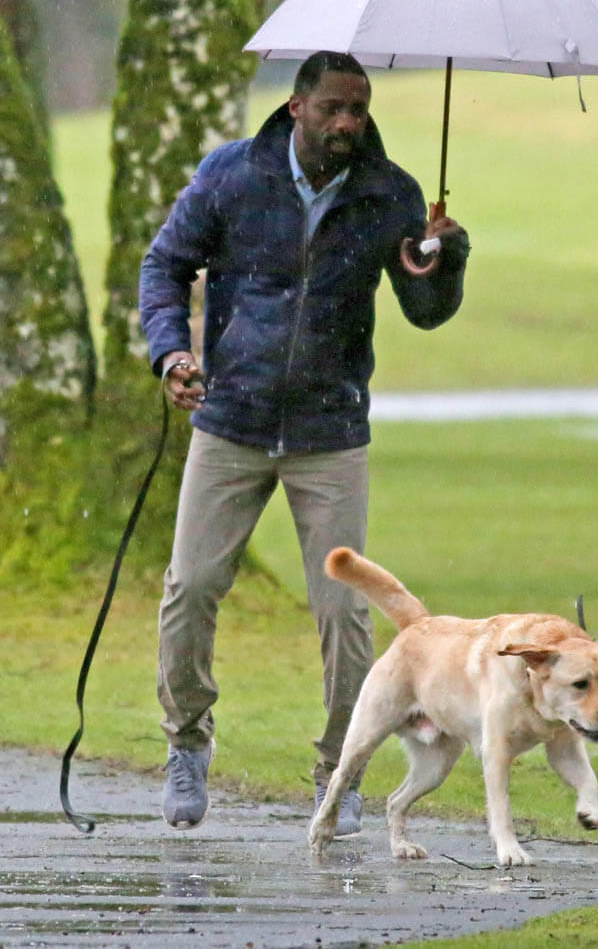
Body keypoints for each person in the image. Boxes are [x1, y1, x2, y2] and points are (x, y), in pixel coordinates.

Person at [139, 51, 470, 835]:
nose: (347, 123)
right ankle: (186, 742)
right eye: (332, 108)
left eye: (357, 109)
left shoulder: (390, 193)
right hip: (231, 420)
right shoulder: (231, 175)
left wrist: (444, 258)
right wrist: (171, 353)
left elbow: (424, 310)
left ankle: (339, 769)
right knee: (190, 589)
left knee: (344, 615)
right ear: (296, 107)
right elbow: (165, 266)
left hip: (330, 430)